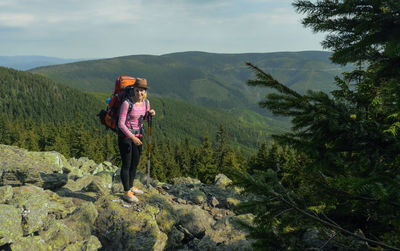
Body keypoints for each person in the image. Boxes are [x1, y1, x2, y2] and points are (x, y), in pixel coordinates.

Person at [118, 78, 155, 203]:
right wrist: (132, 137)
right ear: (134, 90)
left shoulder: (146, 103)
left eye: (142, 91)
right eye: (137, 90)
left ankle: (131, 185)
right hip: (126, 137)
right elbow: (121, 124)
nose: (139, 93)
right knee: (127, 164)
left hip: (139, 135)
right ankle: (126, 191)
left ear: (145, 92)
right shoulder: (127, 103)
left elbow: (143, 118)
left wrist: (150, 114)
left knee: (135, 162)